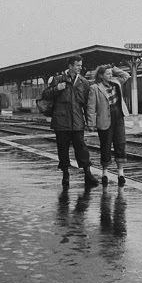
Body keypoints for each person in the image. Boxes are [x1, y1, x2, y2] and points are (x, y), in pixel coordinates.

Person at [42, 55, 99, 188]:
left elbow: (87, 104)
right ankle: (65, 174)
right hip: (61, 121)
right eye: (78, 65)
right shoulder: (57, 79)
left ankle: (87, 173)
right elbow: (45, 95)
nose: (80, 67)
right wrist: (57, 88)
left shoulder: (84, 82)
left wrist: (90, 122)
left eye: (80, 65)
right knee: (63, 148)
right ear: (70, 66)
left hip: (77, 121)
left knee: (81, 147)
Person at [87, 65, 130, 187]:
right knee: (105, 147)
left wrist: (113, 67)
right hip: (104, 119)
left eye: (111, 73)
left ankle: (121, 173)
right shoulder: (95, 88)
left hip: (119, 117)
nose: (110, 76)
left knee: (120, 144)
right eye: (107, 74)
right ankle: (104, 173)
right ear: (101, 75)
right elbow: (91, 107)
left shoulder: (116, 82)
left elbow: (126, 75)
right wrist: (91, 123)